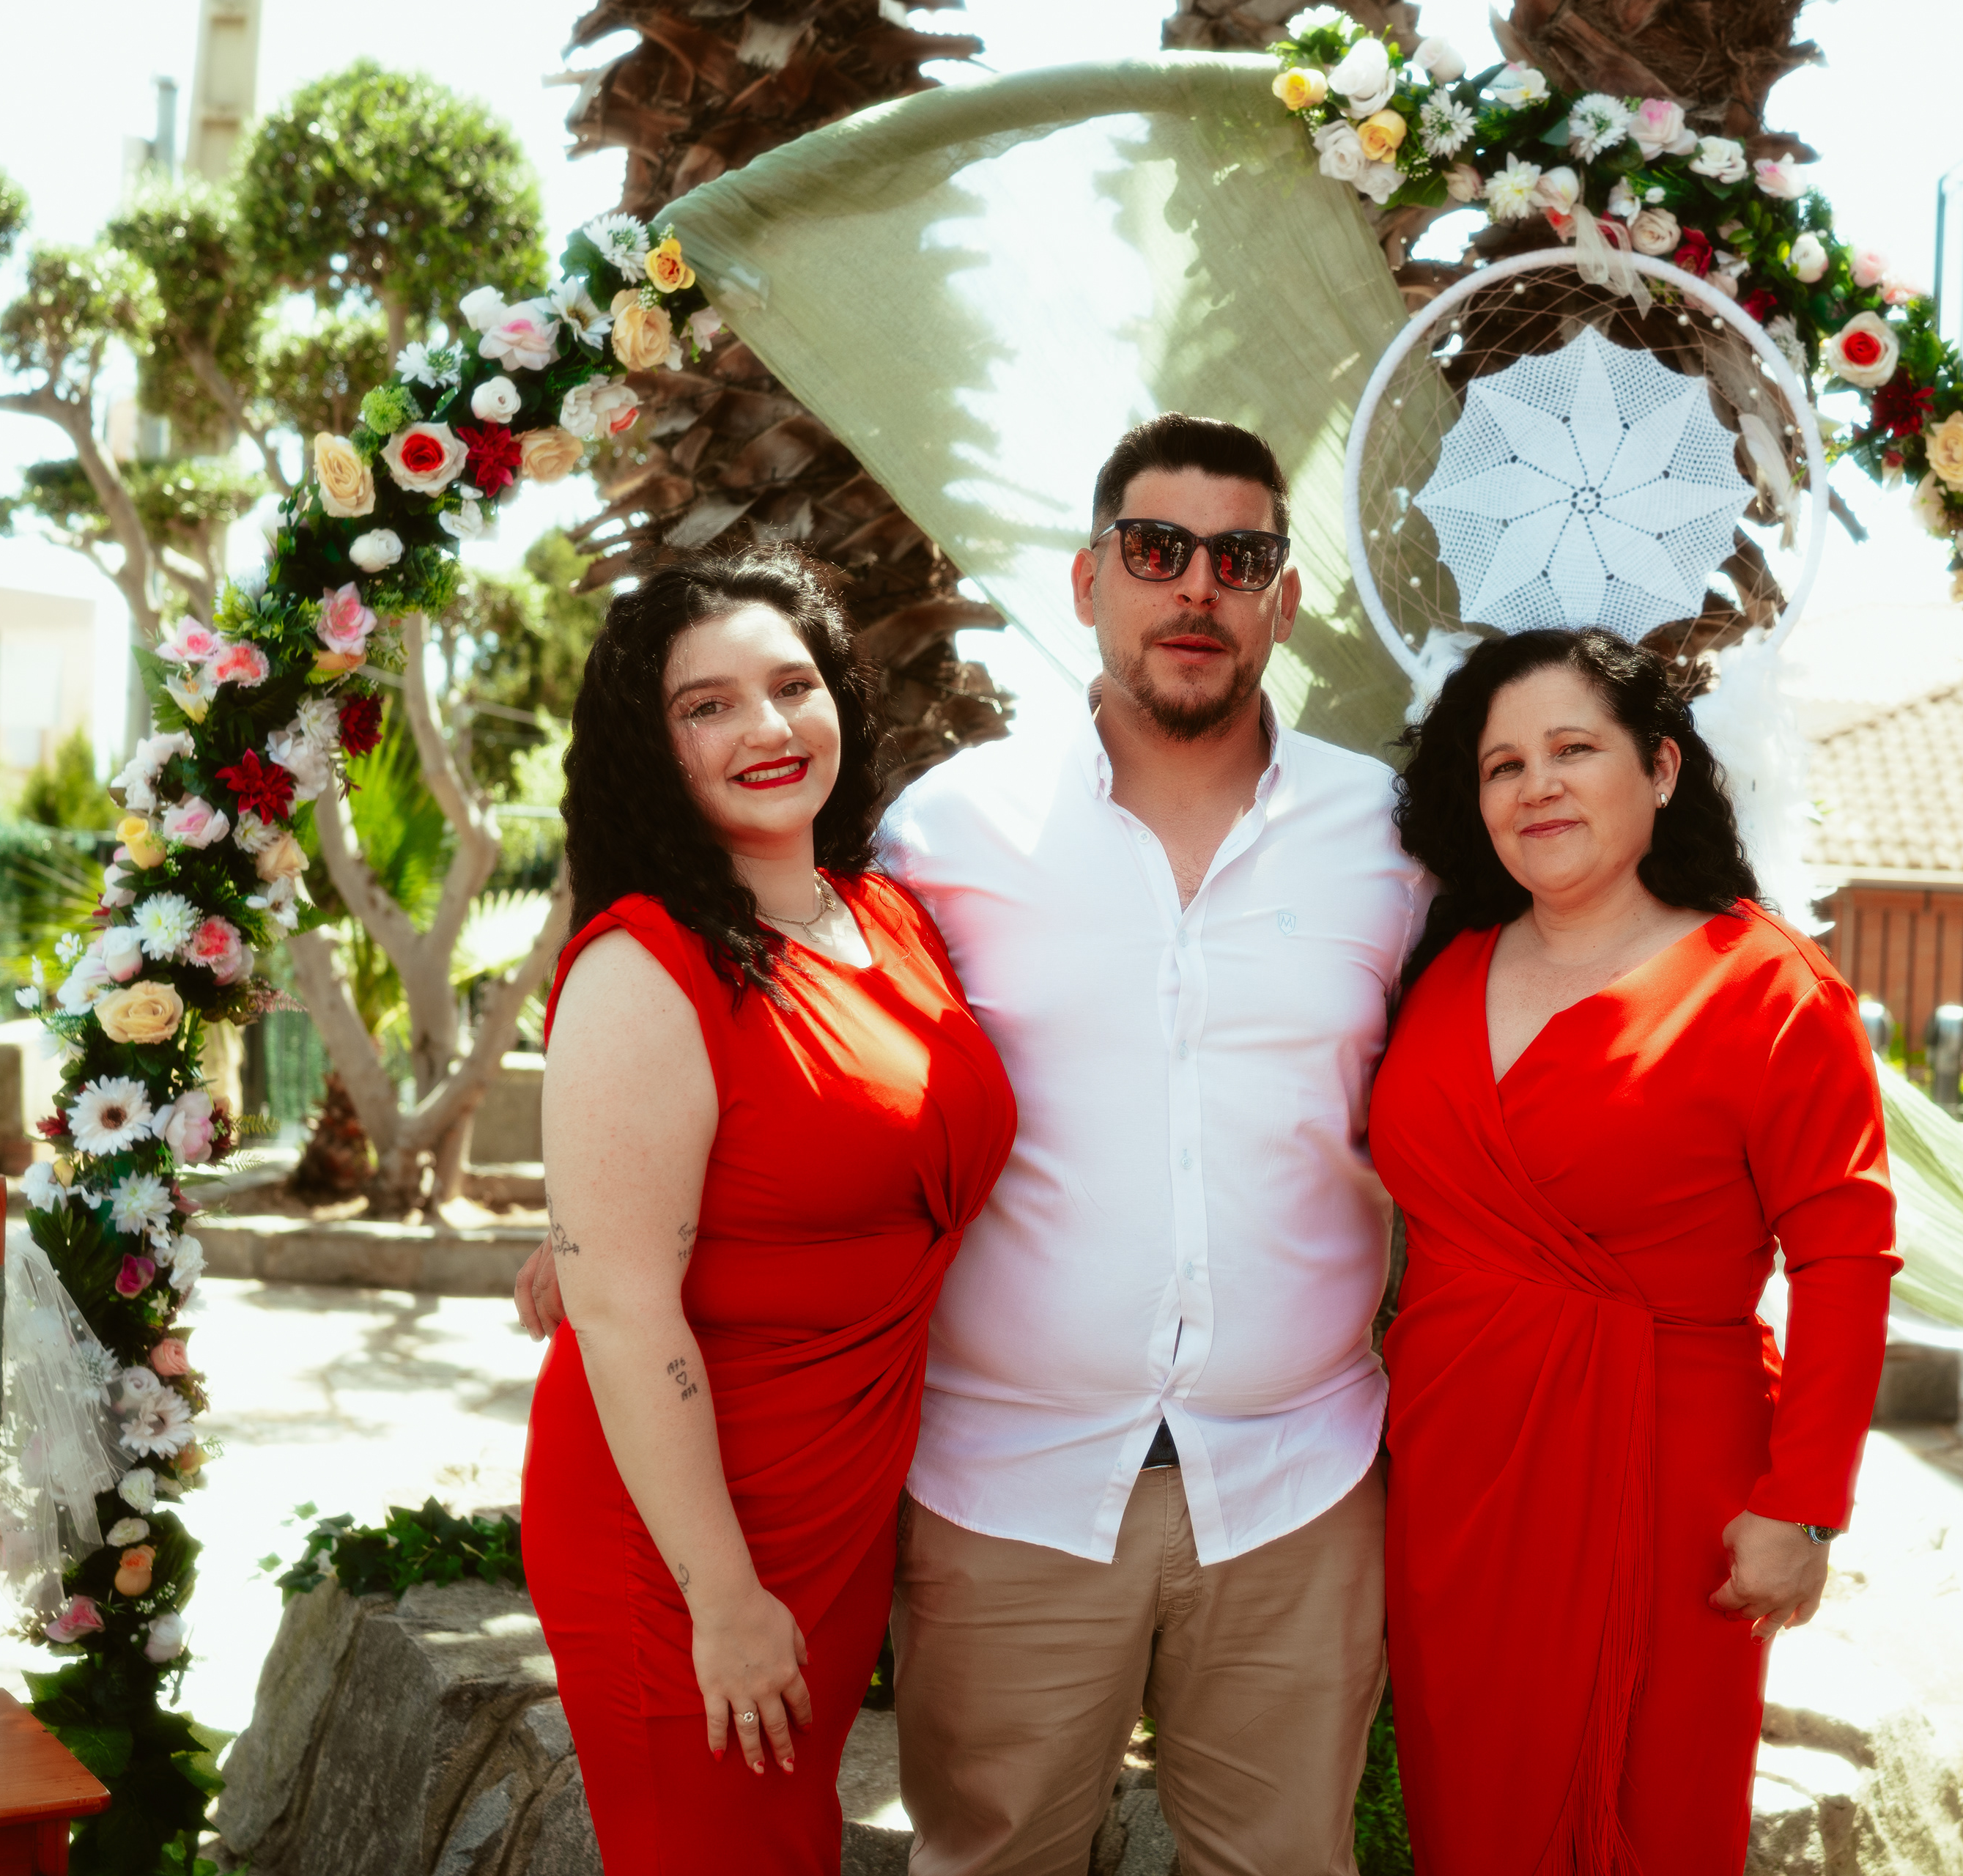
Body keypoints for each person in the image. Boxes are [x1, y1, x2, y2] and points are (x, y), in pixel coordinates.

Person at [520, 414, 1422, 1874]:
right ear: (1087, 580)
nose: (1197, 585)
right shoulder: (949, 831)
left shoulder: (1392, 837)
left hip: (1296, 1481)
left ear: (1286, 597)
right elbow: (735, 1040)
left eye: (1241, 556)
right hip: (1010, 1485)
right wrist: (597, 1226)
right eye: (1156, 550)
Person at [1366, 627, 1898, 1874]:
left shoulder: (1766, 987)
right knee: (1470, 1816)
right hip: (1451, 1484)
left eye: (1572, 750)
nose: (1536, 787)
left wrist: (1804, 1507)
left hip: (1666, 1481)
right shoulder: (1444, 970)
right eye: (1503, 766)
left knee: (1651, 1815)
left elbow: (1846, 1258)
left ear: (1660, 768)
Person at [517, 547, 1016, 1875]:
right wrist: (723, 1595)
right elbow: (626, 1313)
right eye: (709, 705)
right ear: (653, 746)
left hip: (842, 1497)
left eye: (793, 686)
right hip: (690, 1535)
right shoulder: (645, 964)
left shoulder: (887, 915)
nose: (767, 727)